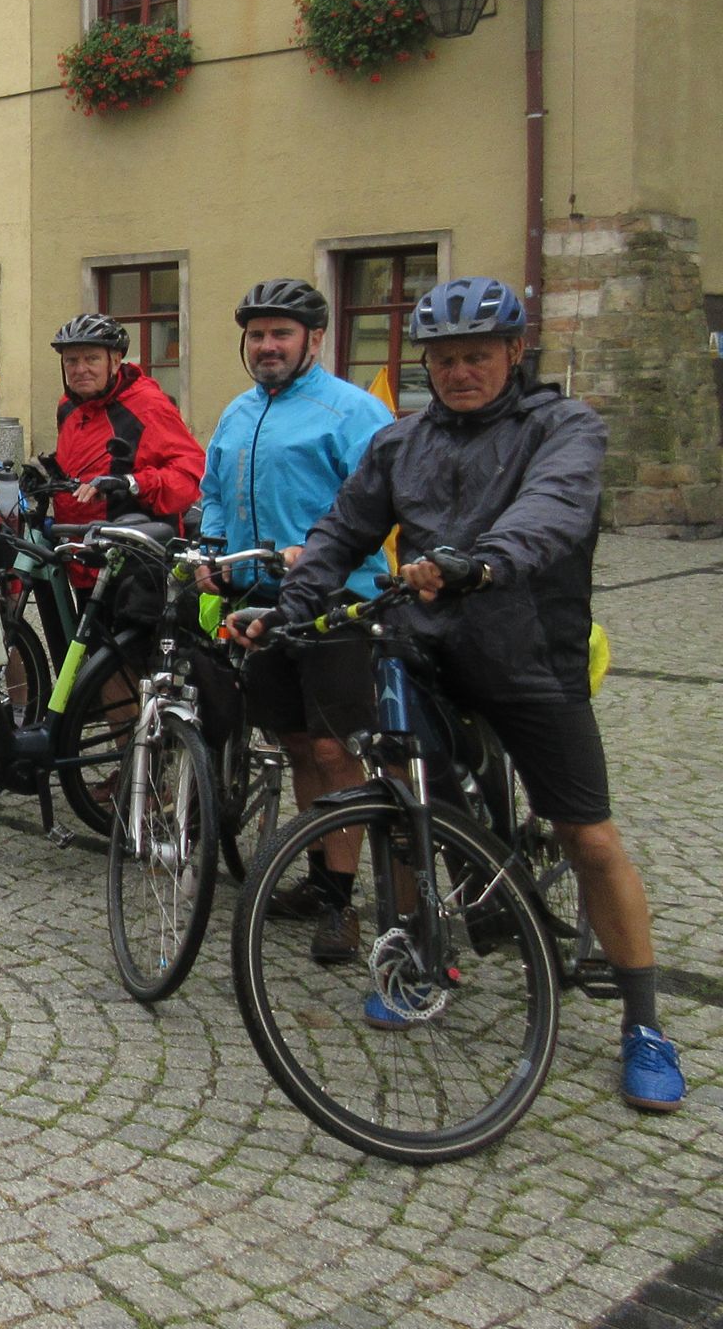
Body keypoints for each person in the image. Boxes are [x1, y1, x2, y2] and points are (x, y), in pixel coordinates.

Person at [247, 275, 686, 1112]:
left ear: (514, 353)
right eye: (444, 360)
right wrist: (286, 611)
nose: (458, 372)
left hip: (529, 656)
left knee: (587, 834)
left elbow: (552, 511)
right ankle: (423, 954)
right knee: (405, 807)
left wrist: (479, 562)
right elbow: (341, 533)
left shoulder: (562, 428)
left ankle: (644, 1021)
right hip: (426, 652)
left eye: (476, 356)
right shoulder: (400, 443)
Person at [199, 279, 393, 962]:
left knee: (337, 749)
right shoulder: (237, 412)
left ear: (314, 339)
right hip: (260, 605)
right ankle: (318, 878)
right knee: (298, 744)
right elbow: (213, 491)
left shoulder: (353, 411)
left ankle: (343, 902)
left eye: (280, 333)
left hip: (338, 603)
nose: (267, 346)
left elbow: (381, 505)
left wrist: (315, 551)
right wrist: (214, 549)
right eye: (257, 335)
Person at [45, 314, 205, 530]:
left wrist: (130, 483)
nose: (80, 369)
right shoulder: (68, 406)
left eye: (92, 359)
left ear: (115, 361)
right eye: (71, 360)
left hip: (132, 542)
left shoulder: (148, 406)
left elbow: (190, 475)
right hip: (75, 539)